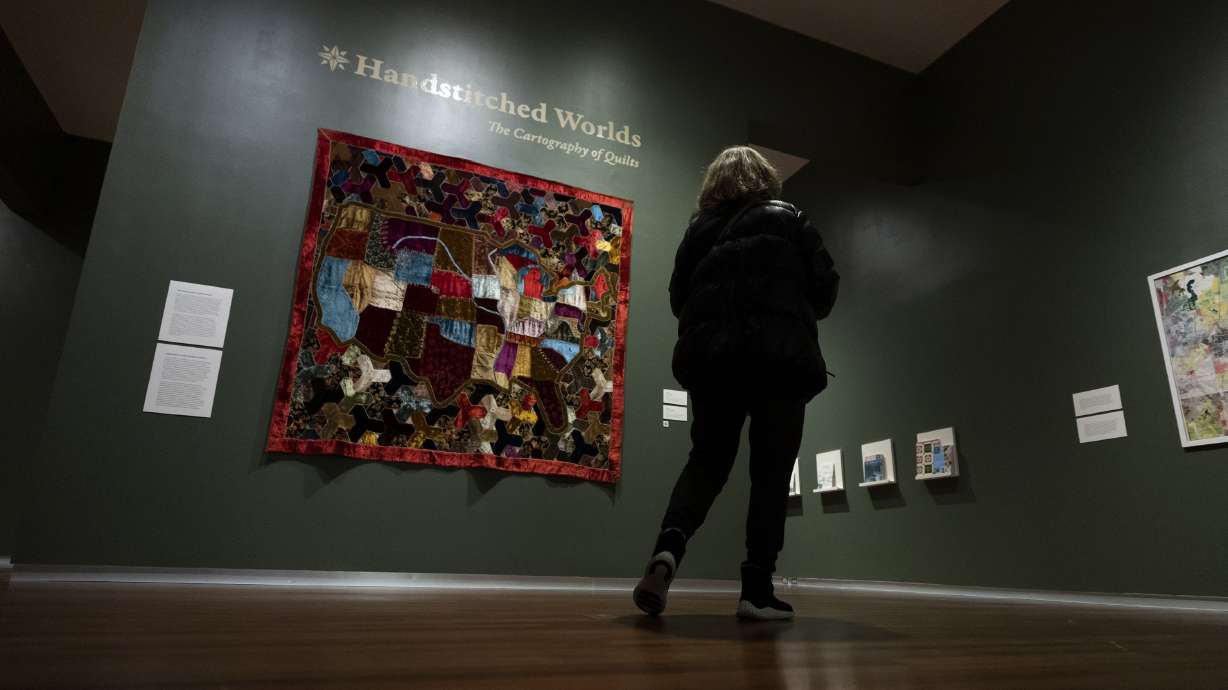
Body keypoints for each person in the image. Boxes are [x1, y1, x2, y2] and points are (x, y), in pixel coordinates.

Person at [633, 146, 839, 620]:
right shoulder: (790, 218)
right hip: (780, 362)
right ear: (765, 178)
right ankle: (756, 590)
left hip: (714, 363)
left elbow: (678, 300)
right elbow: (825, 290)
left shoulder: (697, 233)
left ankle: (668, 548)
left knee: (706, 462)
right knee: (770, 473)